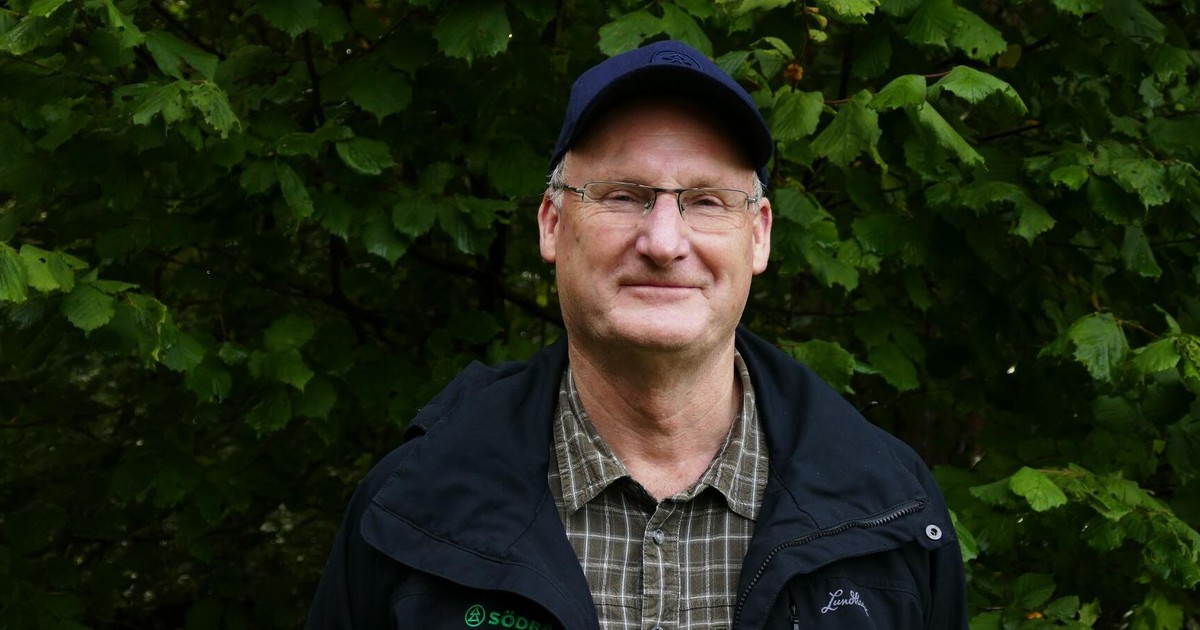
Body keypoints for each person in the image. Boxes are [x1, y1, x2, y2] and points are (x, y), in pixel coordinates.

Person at [305, 39, 967, 629]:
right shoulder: (411, 507)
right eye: (622, 195)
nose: (663, 242)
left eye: (706, 200)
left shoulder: (892, 515)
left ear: (759, 234)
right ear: (552, 223)